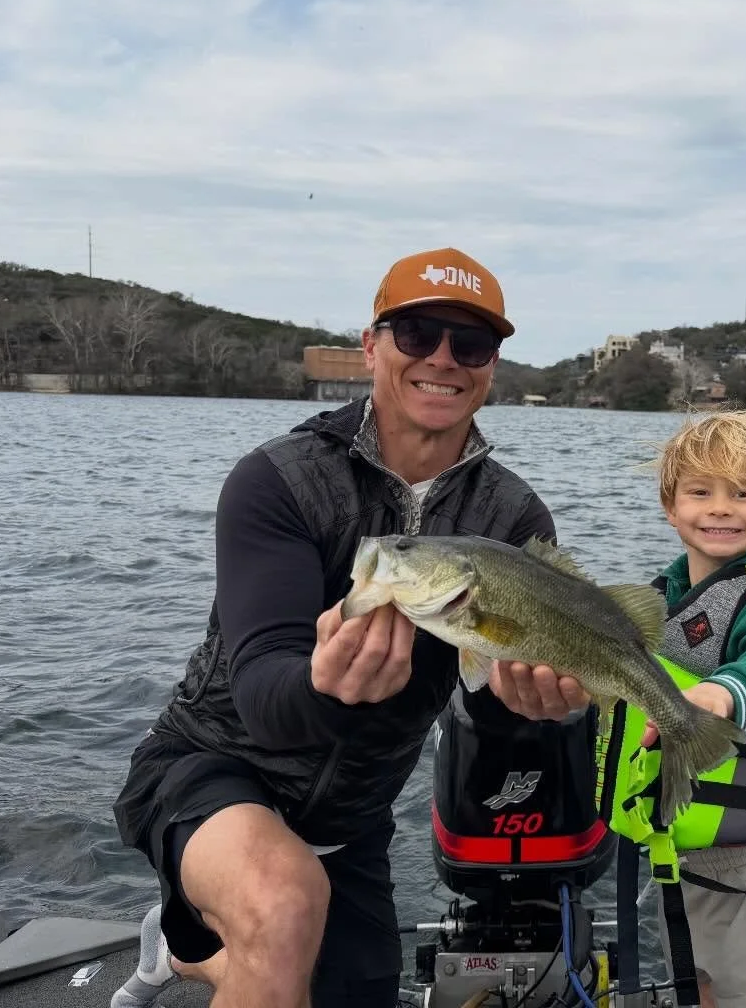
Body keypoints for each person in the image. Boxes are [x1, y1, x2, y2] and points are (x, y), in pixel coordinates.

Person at [109, 247, 588, 1008]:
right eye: (417, 333)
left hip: (351, 819)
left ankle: (189, 954)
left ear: (492, 365)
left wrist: (539, 702)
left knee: (325, 977)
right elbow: (264, 689)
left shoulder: (513, 520)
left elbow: (488, 698)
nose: (443, 359)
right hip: (210, 767)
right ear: (371, 346)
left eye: (470, 345)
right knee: (282, 903)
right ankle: (228, 932)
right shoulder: (278, 479)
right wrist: (324, 685)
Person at [603, 409, 746, 1008]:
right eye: (700, 491)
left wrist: (721, 693)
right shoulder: (663, 598)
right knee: (701, 982)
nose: (721, 507)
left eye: (745, 493)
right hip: (675, 843)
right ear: (670, 505)